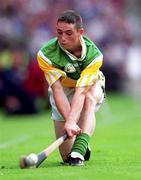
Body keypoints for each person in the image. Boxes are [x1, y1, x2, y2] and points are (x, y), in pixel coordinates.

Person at [37, 10, 105, 166]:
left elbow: (81, 92)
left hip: (89, 86)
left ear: (80, 32)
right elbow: (57, 90)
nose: (63, 38)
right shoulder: (46, 55)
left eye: (68, 33)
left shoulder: (94, 56)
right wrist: (70, 121)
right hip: (63, 89)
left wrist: (72, 121)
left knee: (89, 99)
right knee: (66, 156)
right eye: (59, 32)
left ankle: (79, 149)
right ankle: (82, 143)